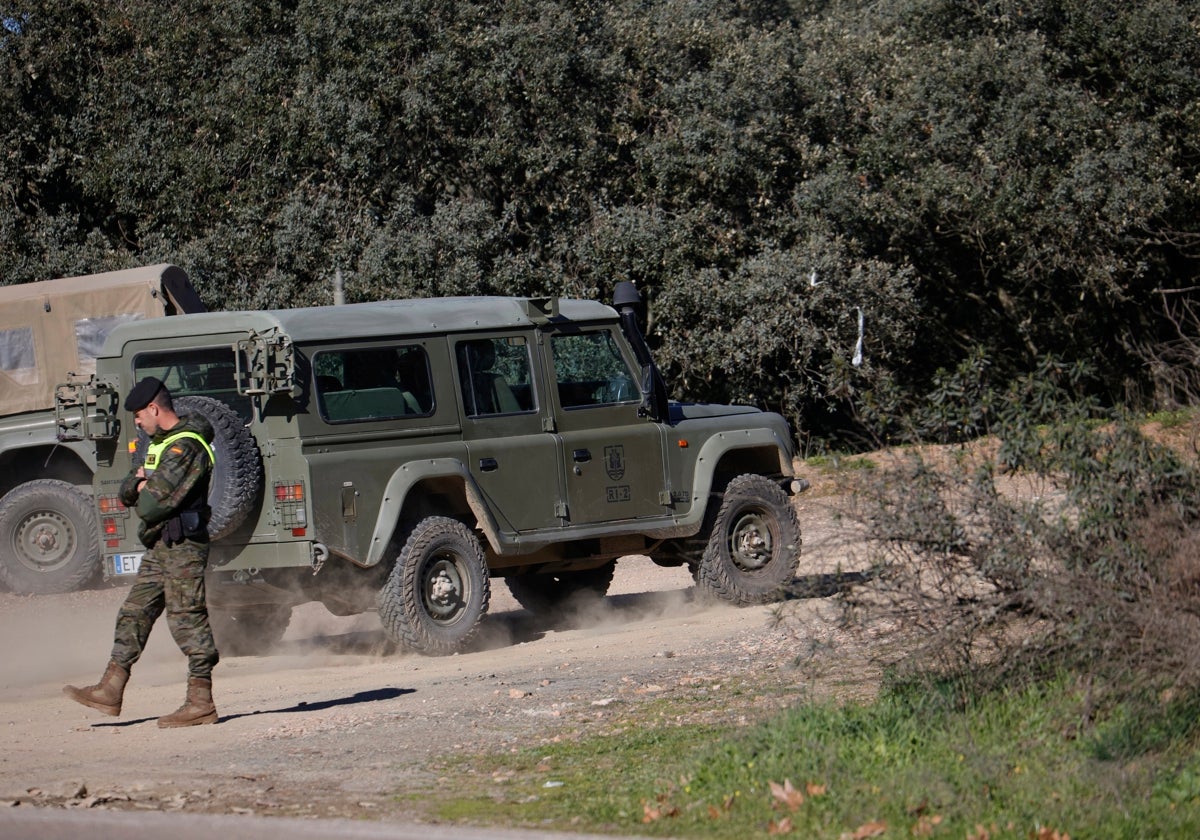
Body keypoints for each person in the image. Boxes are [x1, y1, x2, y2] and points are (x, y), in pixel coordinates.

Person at [63, 377, 220, 727]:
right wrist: (139, 483)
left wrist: (142, 486)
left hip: (183, 545)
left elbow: (150, 506)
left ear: (154, 408)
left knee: (187, 619)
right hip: (161, 544)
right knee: (134, 612)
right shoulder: (159, 445)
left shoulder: (186, 446)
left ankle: (201, 702)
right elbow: (127, 490)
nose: (136, 421)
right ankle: (111, 689)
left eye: (138, 415)